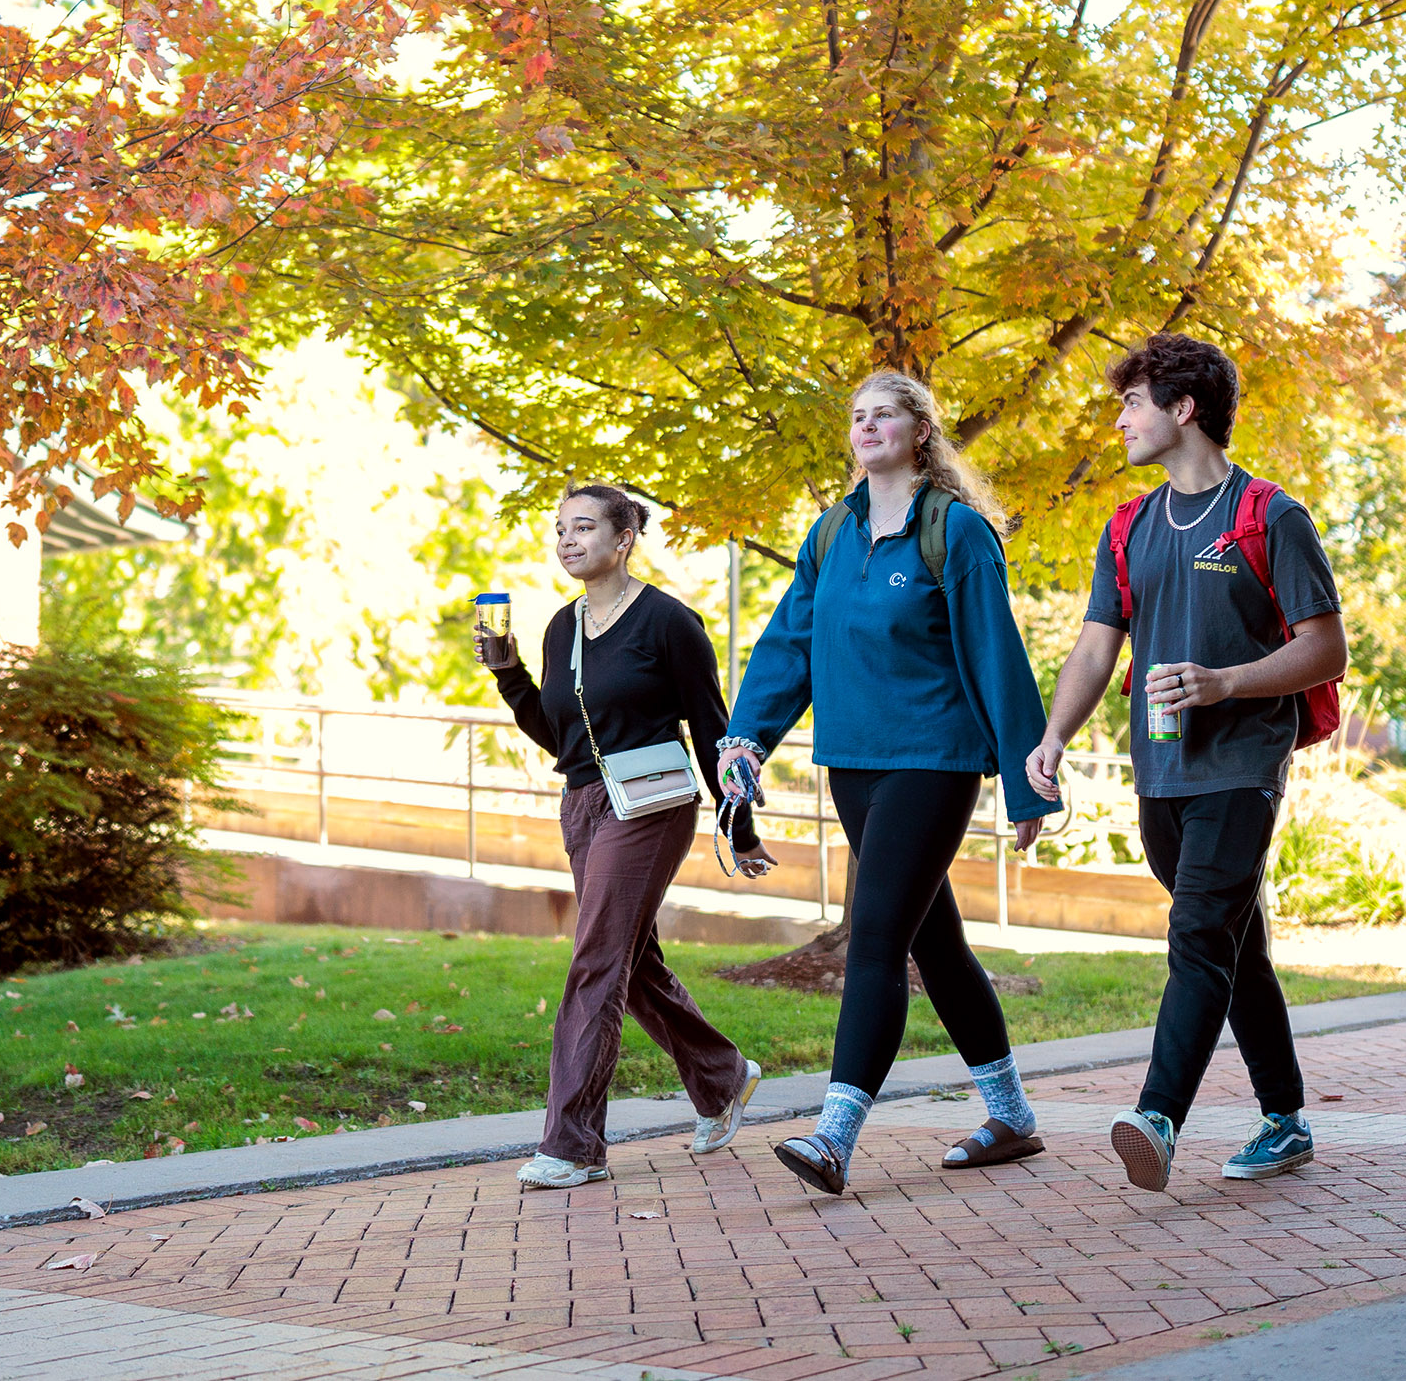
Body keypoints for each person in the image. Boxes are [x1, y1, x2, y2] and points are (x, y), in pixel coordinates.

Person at [722, 370, 1063, 1196]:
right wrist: (748, 736)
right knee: (932, 942)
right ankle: (1012, 1117)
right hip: (854, 763)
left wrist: (1028, 785)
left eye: (885, 415)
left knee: (873, 936)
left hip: (934, 761)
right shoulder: (831, 532)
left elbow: (996, 656)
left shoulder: (957, 532)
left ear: (920, 432)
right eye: (858, 416)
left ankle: (834, 1137)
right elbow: (789, 643)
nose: (868, 426)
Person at [1027, 332, 1349, 1193]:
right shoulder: (1129, 527)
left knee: (1199, 933)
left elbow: (1325, 649)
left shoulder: (1269, 515)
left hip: (1242, 763)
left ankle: (1158, 1115)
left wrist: (1228, 683)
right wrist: (1054, 734)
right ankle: (1284, 1119)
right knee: (1234, 944)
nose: (1121, 420)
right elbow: (1097, 647)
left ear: (1184, 408)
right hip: (1159, 771)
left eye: (1133, 402)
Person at [480, 483, 772, 1191]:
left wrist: (740, 823)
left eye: (583, 527)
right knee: (628, 960)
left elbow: (712, 724)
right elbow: (561, 736)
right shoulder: (561, 627)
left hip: (650, 805)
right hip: (582, 804)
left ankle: (573, 1144)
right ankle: (721, 1076)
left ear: (623, 539)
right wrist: (510, 675)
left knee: (595, 961)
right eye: (560, 530)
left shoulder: (668, 622)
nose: (567, 540)